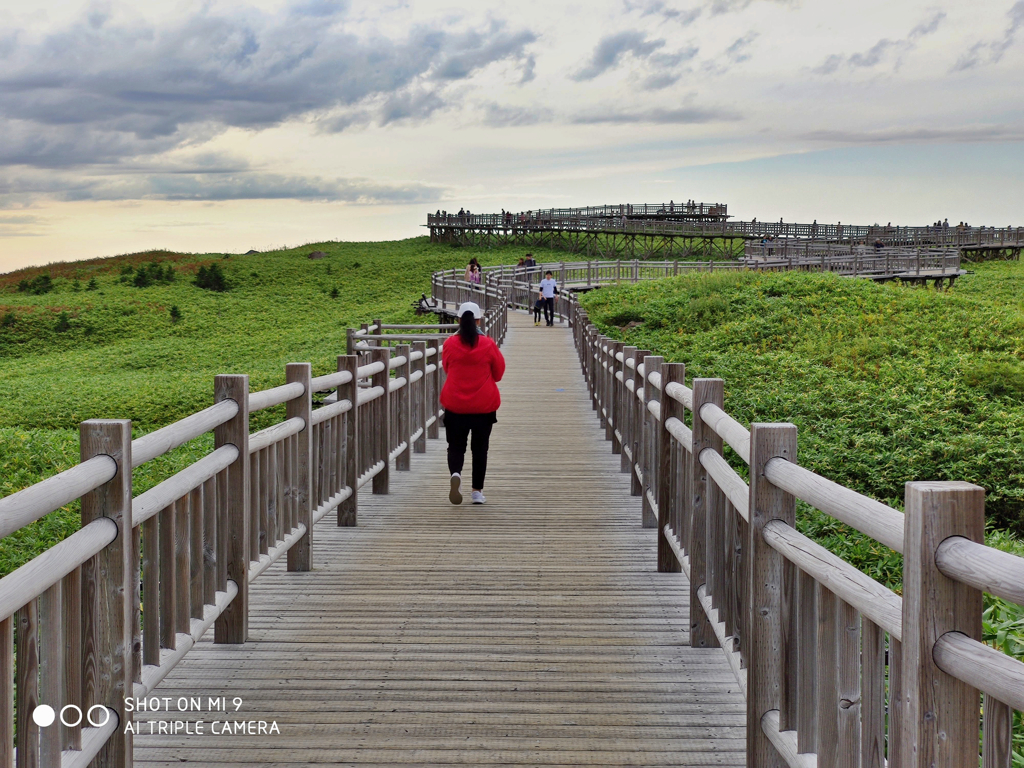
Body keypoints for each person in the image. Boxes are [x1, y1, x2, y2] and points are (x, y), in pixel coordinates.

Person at [441, 302, 505, 505]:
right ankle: (477, 491)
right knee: (480, 449)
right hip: (483, 406)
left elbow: (447, 368)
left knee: (455, 446)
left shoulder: (450, 343)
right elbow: (499, 373)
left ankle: (456, 474)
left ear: (459, 320)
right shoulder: (488, 344)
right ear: (479, 320)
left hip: (455, 405)